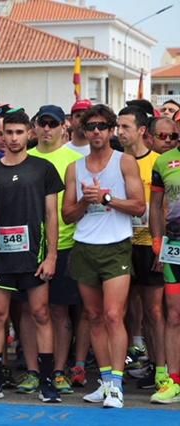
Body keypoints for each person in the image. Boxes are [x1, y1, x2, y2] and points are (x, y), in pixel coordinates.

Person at [0, 111, 62, 404]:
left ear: (29, 134)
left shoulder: (43, 168)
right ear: (2, 136)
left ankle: (47, 381)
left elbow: (52, 215)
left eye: (18, 132)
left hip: (34, 255)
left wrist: (51, 256)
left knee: (40, 314)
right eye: (8, 133)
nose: (13, 138)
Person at [62, 104, 145, 409]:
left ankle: (118, 384)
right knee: (94, 316)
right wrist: (87, 200)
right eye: (90, 126)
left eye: (102, 126)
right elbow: (68, 215)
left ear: (112, 131)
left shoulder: (125, 162)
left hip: (116, 245)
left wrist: (108, 198)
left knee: (113, 315)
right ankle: (107, 381)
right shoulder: (75, 167)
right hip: (85, 246)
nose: (96, 132)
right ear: (83, 131)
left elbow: (139, 207)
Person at [25, 105, 85, 394]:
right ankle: (33, 371)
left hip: (67, 245)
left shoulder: (75, 160)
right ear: (34, 127)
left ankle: (59, 370)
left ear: (64, 128)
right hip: (28, 248)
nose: (47, 129)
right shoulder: (24, 157)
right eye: (42, 123)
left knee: (60, 312)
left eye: (53, 124)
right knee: (31, 311)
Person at [116, 106, 167, 392]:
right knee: (118, 310)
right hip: (120, 243)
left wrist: (161, 246)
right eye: (118, 128)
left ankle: (160, 370)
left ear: (141, 131)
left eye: (125, 127)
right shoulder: (113, 162)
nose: (120, 133)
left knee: (154, 311)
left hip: (149, 244)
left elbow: (165, 207)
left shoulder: (158, 162)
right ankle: (117, 369)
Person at [149, 118, 180, 404]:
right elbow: (155, 206)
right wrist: (157, 242)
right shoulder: (164, 161)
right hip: (174, 245)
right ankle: (173, 379)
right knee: (173, 313)